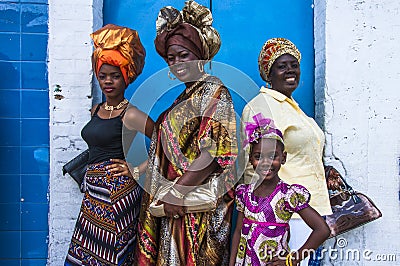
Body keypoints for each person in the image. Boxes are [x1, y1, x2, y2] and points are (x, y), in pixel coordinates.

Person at [135, 1, 238, 265]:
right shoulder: (182, 99)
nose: (177, 63)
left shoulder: (214, 92)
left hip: (196, 208)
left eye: (184, 55)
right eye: (171, 58)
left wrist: (178, 190)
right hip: (174, 205)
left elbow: (216, 151)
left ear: (200, 56)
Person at [65, 24, 154, 266]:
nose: (108, 82)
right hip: (94, 194)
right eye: (102, 76)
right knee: (85, 252)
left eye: (115, 75)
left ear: (126, 77)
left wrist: (136, 168)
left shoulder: (131, 113)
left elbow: (164, 140)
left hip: (118, 194)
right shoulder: (96, 110)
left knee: (111, 255)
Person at [240, 38, 333, 265]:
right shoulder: (262, 107)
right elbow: (254, 165)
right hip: (285, 218)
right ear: (268, 75)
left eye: (294, 65)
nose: (290, 70)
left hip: (313, 212)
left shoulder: (295, 109)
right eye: (281, 66)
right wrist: (259, 217)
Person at [230, 113, 330, 266]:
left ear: (283, 158)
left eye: (272, 156)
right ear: (250, 159)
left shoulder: (288, 195)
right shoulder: (244, 193)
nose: (266, 162)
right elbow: (238, 231)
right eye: (258, 156)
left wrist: (293, 259)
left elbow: (322, 230)